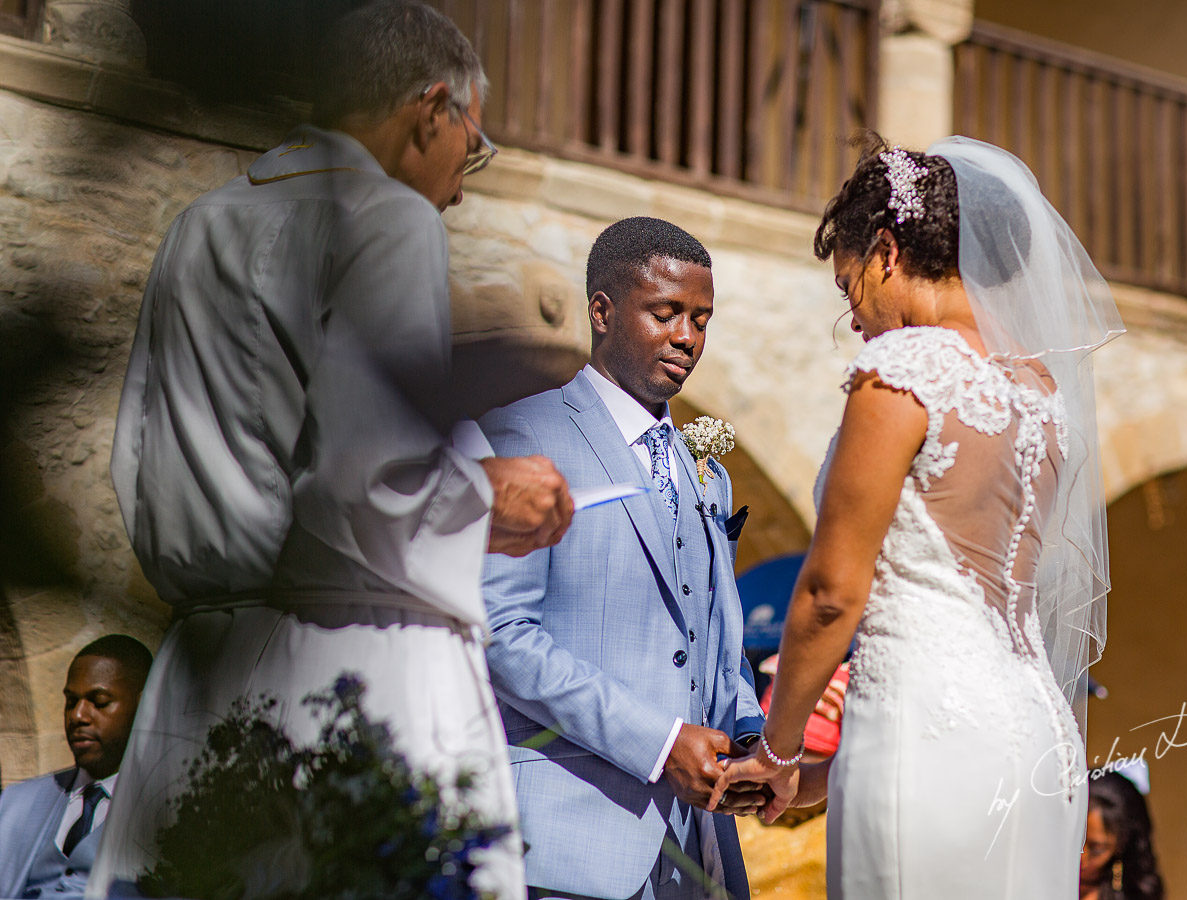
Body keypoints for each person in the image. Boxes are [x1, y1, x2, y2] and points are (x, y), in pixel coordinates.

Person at [90, 3, 572, 897]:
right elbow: (373, 477)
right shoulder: (387, 219)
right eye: (469, 151)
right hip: (346, 664)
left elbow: (139, 450)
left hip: (200, 671)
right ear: (431, 109)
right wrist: (488, 495)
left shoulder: (200, 224)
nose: (460, 190)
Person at [710, 134, 1124, 898]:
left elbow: (832, 592)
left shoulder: (901, 371)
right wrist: (820, 776)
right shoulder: (1041, 400)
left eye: (849, 289)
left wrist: (777, 748)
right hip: (1038, 744)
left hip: (927, 730)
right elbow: (967, 605)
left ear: (887, 252)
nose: (856, 322)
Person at [478, 217, 766, 900]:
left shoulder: (708, 473)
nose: (687, 338)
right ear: (601, 311)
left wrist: (751, 734)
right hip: (566, 846)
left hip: (699, 855)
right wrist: (662, 743)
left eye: (701, 318)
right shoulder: (523, 434)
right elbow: (502, 636)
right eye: (665, 313)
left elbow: (712, 640)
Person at [0, 635, 151, 898]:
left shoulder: (167, 808)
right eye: (71, 701)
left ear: (144, 706)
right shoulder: (17, 801)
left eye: (100, 701)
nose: (78, 716)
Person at [1080, 771, 1164, 900]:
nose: (1082, 857)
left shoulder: (1133, 893)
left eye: (1097, 849)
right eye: (1076, 843)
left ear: (1122, 846)